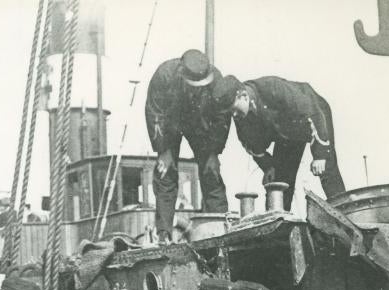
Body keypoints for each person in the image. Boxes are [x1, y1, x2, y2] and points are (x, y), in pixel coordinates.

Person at [212, 75, 346, 210]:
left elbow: (313, 112)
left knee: (327, 169)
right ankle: (279, 226)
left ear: (244, 96)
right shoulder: (240, 116)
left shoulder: (273, 88)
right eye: (231, 113)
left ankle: (345, 212)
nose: (234, 116)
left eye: (235, 110)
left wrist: (320, 155)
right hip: (286, 133)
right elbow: (253, 146)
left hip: (315, 115)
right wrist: (269, 167)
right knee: (279, 183)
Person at [145, 49, 231, 243]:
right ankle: (164, 234)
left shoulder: (217, 80)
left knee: (212, 172)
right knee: (165, 172)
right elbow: (154, 114)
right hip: (170, 124)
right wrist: (163, 150)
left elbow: (222, 118)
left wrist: (214, 152)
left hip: (200, 125)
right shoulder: (164, 76)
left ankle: (220, 229)